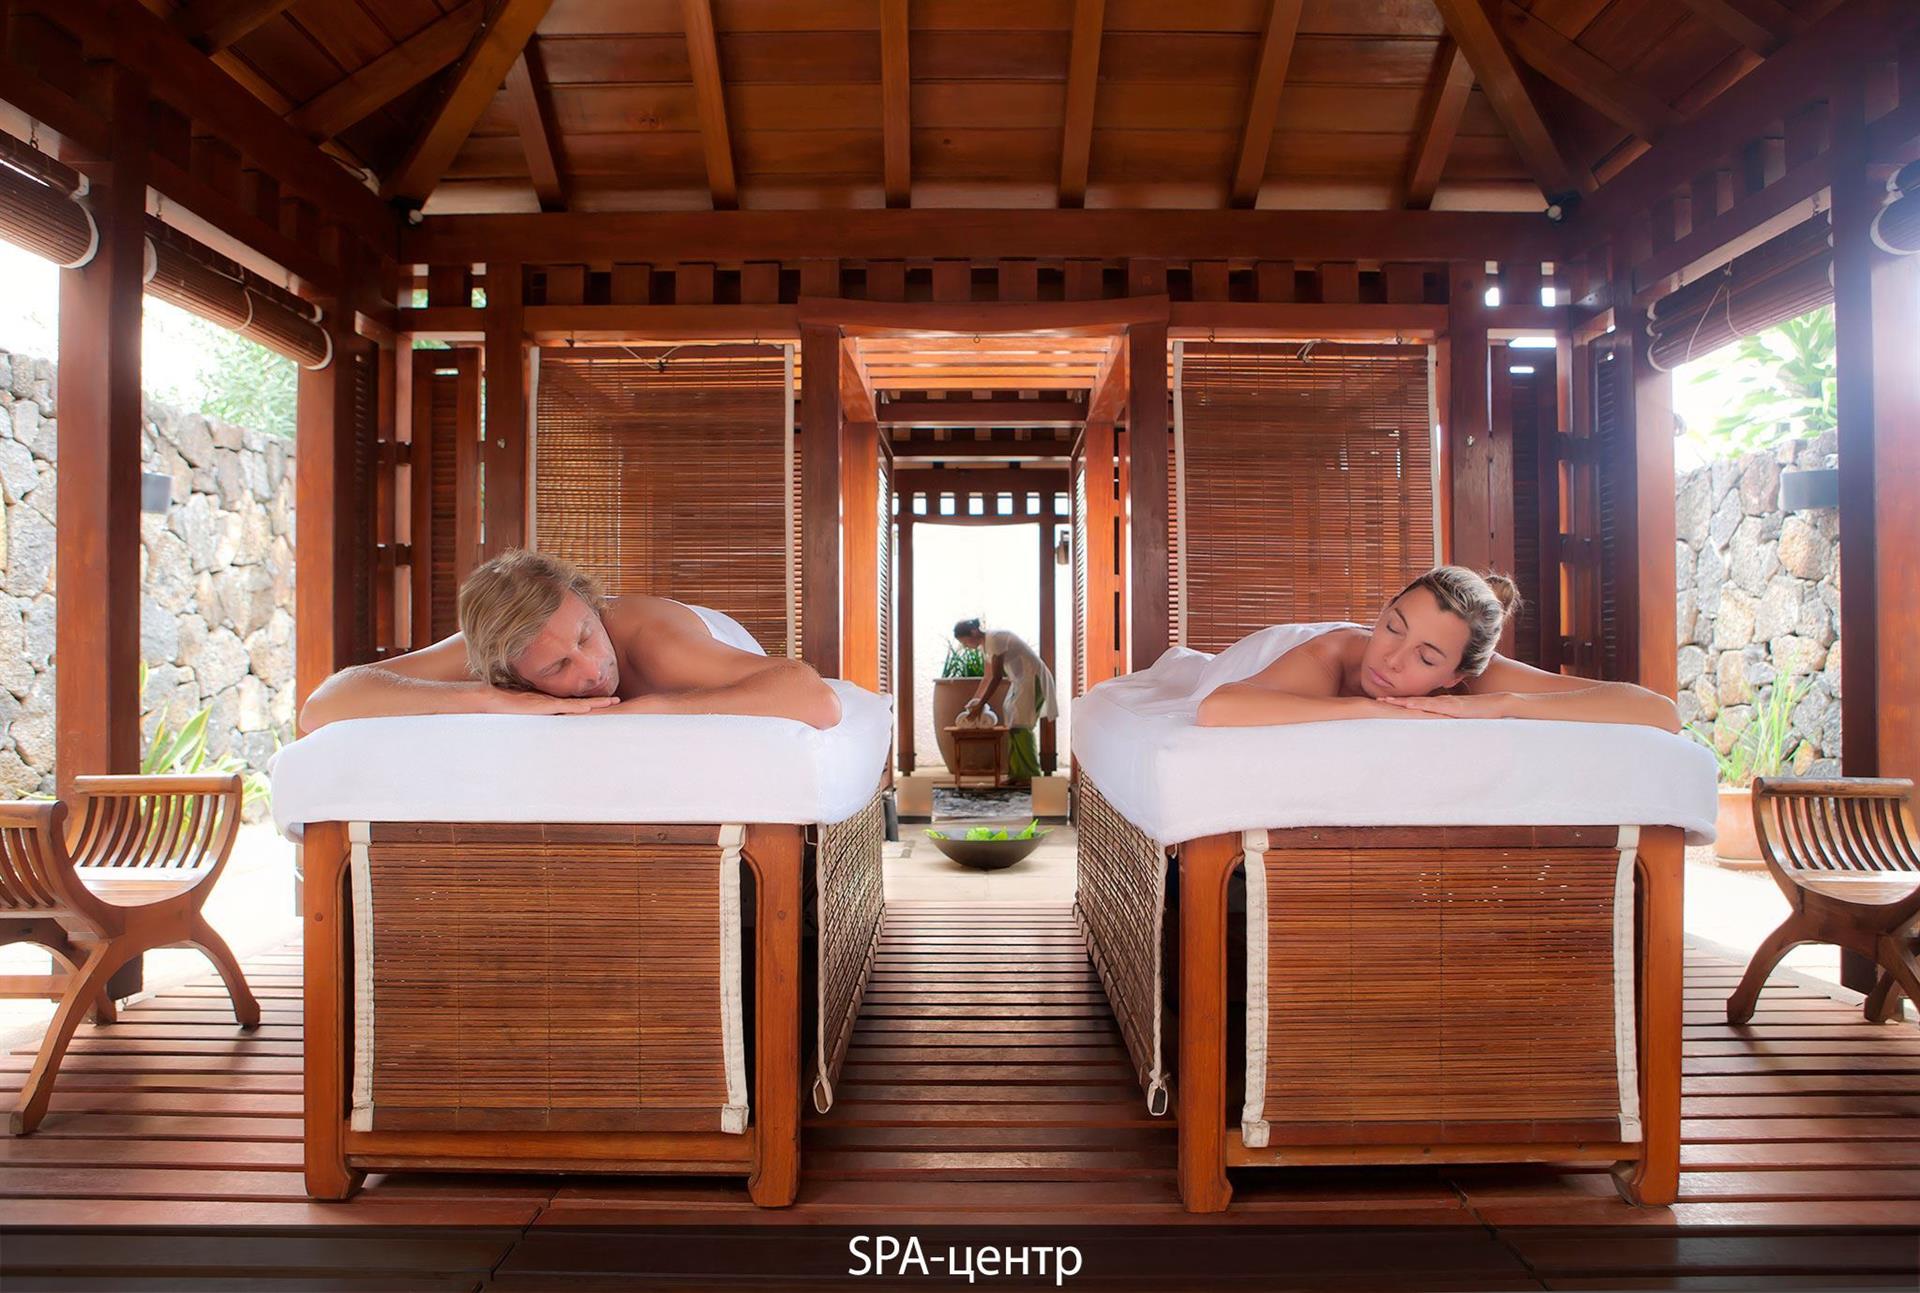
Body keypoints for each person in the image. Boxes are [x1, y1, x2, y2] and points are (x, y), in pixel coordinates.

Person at [299, 549, 841, 732]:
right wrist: (488, 699)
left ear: (587, 601)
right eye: (556, 667)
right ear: (511, 672)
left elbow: (813, 696)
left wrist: (654, 706)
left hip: (712, 639)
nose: (591, 670)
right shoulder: (496, 653)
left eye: (586, 636)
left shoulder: (656, 643)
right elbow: (325, 704)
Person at [1195, 566, 1679, 731]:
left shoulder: (1478, 680)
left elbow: (1658, 711)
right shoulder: (1332, 656)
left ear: (1455, 676)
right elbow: (1218, 707)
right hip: (1244, 662)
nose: (1391, 658)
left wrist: (1504, 704)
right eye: (1393, 628)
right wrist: (1367, 709)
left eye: (1426, 658)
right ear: (1383, 611)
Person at [953, 617, 1058, 781]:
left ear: (973, 632)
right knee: (1011, 718)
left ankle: (1030, 775)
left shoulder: (994, 639)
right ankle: (1017, 774)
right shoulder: (986, 647)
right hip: (1021, 681)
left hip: (1033, 678)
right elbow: (987, 677)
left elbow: (996, 677)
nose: (965, 646)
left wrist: (981, 705)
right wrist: (973, 703)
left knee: (1021, 723)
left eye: (964, 642)